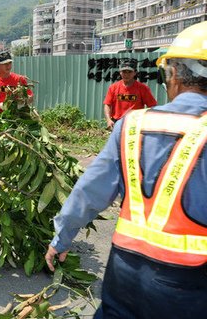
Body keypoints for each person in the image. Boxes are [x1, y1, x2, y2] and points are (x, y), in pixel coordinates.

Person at [45, 21, 207, 319]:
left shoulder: (131, 126)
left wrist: (60, 240)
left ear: (172, 73)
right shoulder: (120, 104)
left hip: (124, 273)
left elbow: (88, 193)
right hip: (190, 286)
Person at [103, 58, 157, 129]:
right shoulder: (113, 87)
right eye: (124, 71)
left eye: (129, 72)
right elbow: (107, 105)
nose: (126, 74)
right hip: (117, 123)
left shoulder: (143, 88)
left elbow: (152, 106)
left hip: (135, 124)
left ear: (134, 73)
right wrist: (108, 120)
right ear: (120, 72)